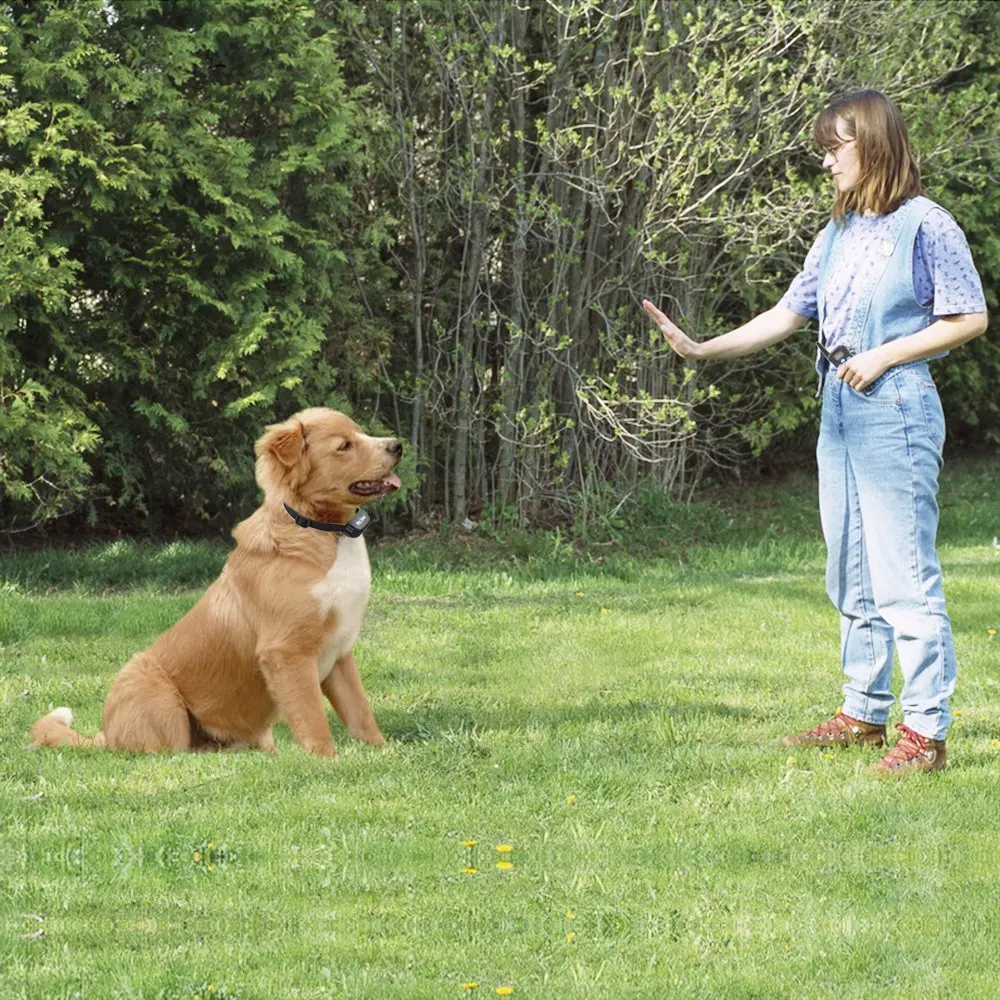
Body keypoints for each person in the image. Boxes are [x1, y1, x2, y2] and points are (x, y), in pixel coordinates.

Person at [643, 89, 988, 774]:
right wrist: (702, 349)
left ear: (875, 145)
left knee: (902, 575)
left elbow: (968, 317)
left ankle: (926, 734)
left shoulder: (927, 225)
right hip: (839, 408)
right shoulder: (836, 232)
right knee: (850, 567)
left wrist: (885, 354)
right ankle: (863, 712)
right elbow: (788, 312)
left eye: (836, 148)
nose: (826, 162)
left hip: (895, 408)